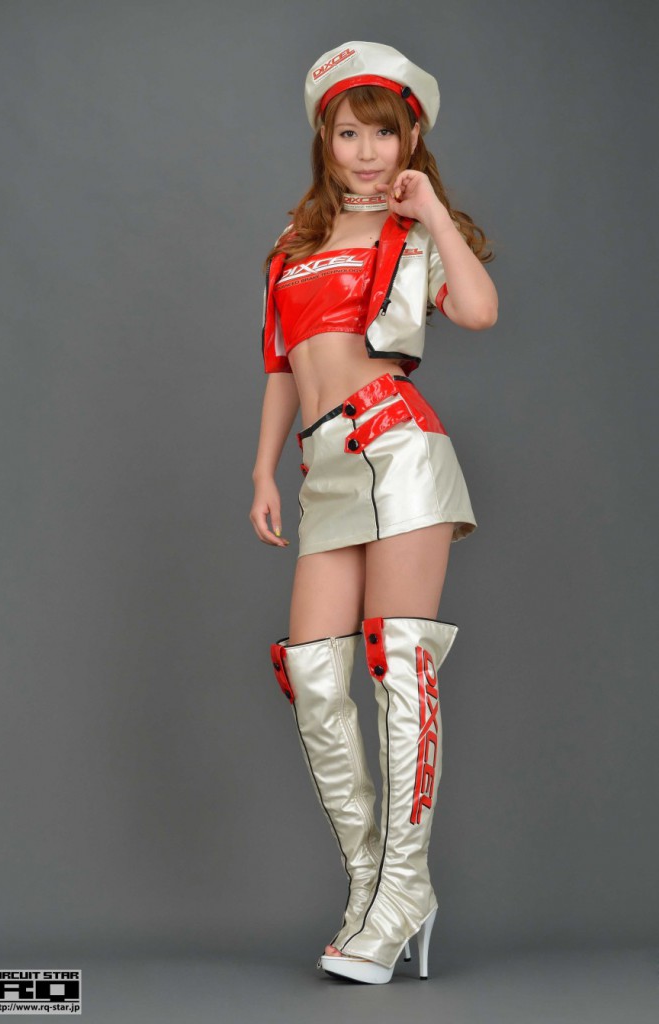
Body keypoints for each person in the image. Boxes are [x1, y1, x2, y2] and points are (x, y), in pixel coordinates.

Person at [250, 41, 498, 985]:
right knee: (314, 674)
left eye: (382, 135)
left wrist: (429, 209)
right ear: (325, 140)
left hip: (398, 451)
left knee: (398, 665)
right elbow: (283, 366)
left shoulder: (413, 230)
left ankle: (399, 895)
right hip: (323, 469)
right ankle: (373, 885)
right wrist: (262, 471)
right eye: (348, 134)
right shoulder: (291, 244)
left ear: (410, 140)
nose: (364, 152)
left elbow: (477, 311)